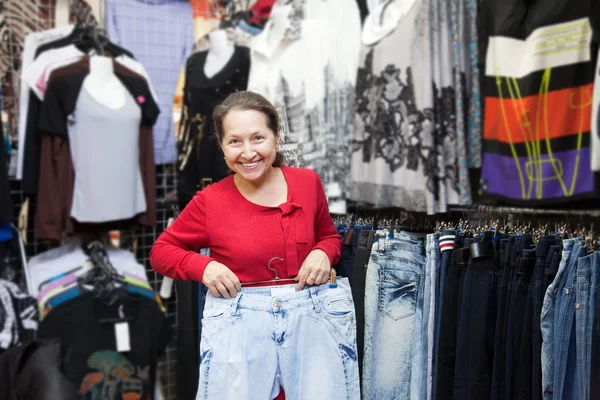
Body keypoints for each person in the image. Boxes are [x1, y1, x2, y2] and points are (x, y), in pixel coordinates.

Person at [149, 91, 360, 400]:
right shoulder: (210, 201)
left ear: (276, 137)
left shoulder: (307, 182)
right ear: (222, 148)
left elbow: (328, 236)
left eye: (258, 138)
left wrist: (322, 252)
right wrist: (203, 266)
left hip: (312, 321)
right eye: (235, 141)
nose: (248, 152)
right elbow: (160, 252)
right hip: (241, 328)